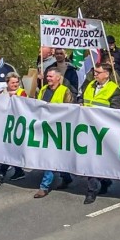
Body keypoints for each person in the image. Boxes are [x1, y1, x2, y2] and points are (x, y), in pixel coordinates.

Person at [79, 63, 120, 204]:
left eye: (98, 72)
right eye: (94, 71)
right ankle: (104, 181)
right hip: (86, 128)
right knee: (90, 160)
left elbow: (114, 112)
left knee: (95, 161)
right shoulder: (90, 85)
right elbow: (81, 99)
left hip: (102, 131)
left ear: (107, 74)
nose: (95, 74)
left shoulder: (114, 90)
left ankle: (91, 191)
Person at [34, 68, 74, 198]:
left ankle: (44, 186)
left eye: (51, 76)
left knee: (50, 157)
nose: (48, 78)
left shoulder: (65, 91)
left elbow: (70, 110)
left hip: (59, 129)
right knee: (57, 156)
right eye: (47, 76)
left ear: (58, 77)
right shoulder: (43, 89)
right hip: (45, 127)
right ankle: (66, 176)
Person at [0, 72, 27, 185]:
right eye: (13, 82)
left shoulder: (22, 93)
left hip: (16, 125)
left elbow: (25, 107)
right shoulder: (1, 93)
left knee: (9, 149)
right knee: (7, 149)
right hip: (4, 125)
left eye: (17, 82)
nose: (15, 84)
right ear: (7, 83)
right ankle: (18, 170)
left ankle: (1, 173)